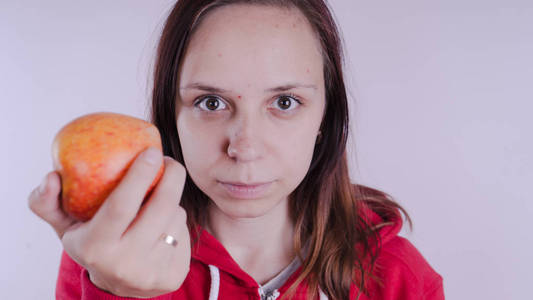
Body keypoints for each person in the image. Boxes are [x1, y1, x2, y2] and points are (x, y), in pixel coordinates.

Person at [28, 0, 444, 299]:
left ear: (325, 118)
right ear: (170, 114)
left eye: (284, 102)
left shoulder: (398, 278)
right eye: (211, 103)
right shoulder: (112, 257)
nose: (244, 149)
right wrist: (121, 295)